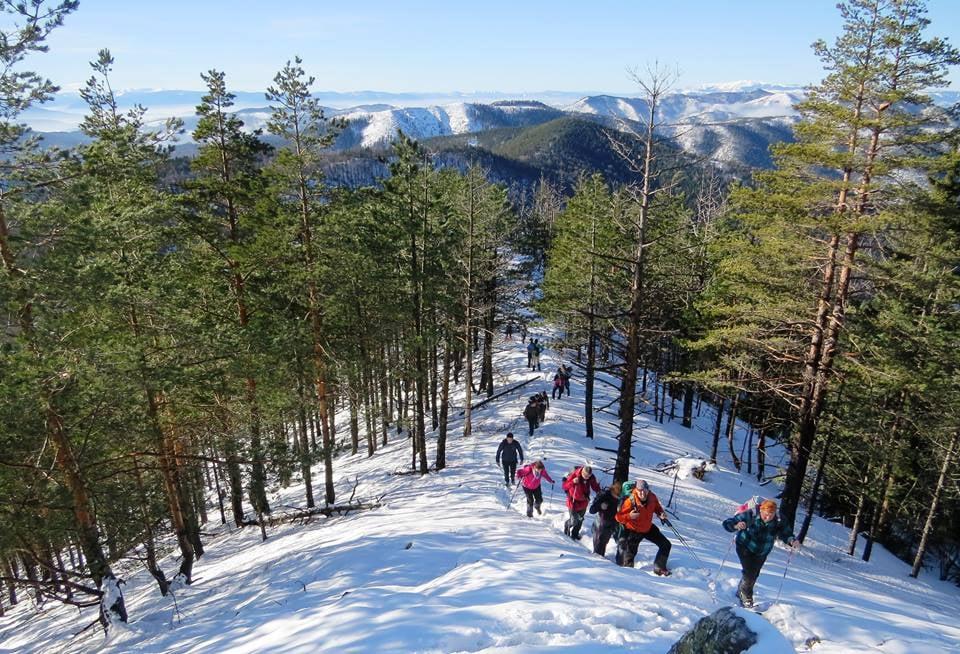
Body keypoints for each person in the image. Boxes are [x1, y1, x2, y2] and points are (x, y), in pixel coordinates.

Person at [722, 498, 799, 608]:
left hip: (763, 550)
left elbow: (785, 533)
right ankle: (746, 596)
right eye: (765, 514)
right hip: (745, 545)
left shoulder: (779, 520)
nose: (768, 517)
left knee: (754, 573)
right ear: (761, 511)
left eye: (771, 515)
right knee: (749, 572)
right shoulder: (751, 514)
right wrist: (736, 526)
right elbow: (727, 523)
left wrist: (792, 540)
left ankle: (741, 590)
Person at [615, 480, 672, 575]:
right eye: (639, 490)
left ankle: (659, 568)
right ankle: (628, 576)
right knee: (629, 557)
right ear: (636, 490)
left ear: (647, 490)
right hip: (634, 530)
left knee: (666, 545)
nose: (642, 493)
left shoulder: (652, 497)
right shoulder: (630, 501)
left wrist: (661, 514)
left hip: (648, 527)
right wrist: (629, 516)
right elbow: (618, 517)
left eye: (644, 490)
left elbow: (657, 507)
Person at [562, 464, 601, 540]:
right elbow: (565, 486)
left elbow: (595, 486)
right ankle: (567, 525)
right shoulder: (574, 475)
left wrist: (599, 492)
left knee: (580, 520)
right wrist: (573, 481)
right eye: (585, 475)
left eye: (588, 476)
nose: (586, 477)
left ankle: (575, 534)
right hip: (573, 501)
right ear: (582, 472)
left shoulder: (591, 478)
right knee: (574, 520)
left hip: (583, 502)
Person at [589, 480, 622, 557]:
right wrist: (600, 506)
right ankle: (595, 562)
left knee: (603, 544)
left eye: (618, 496)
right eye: (616, 495)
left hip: (610, 525)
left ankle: (601, 562)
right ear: (613, 491)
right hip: (600, 524)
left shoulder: (620, 499)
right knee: (598, 546)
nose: (617, 498)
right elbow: (592, 510)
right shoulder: (604, 495)